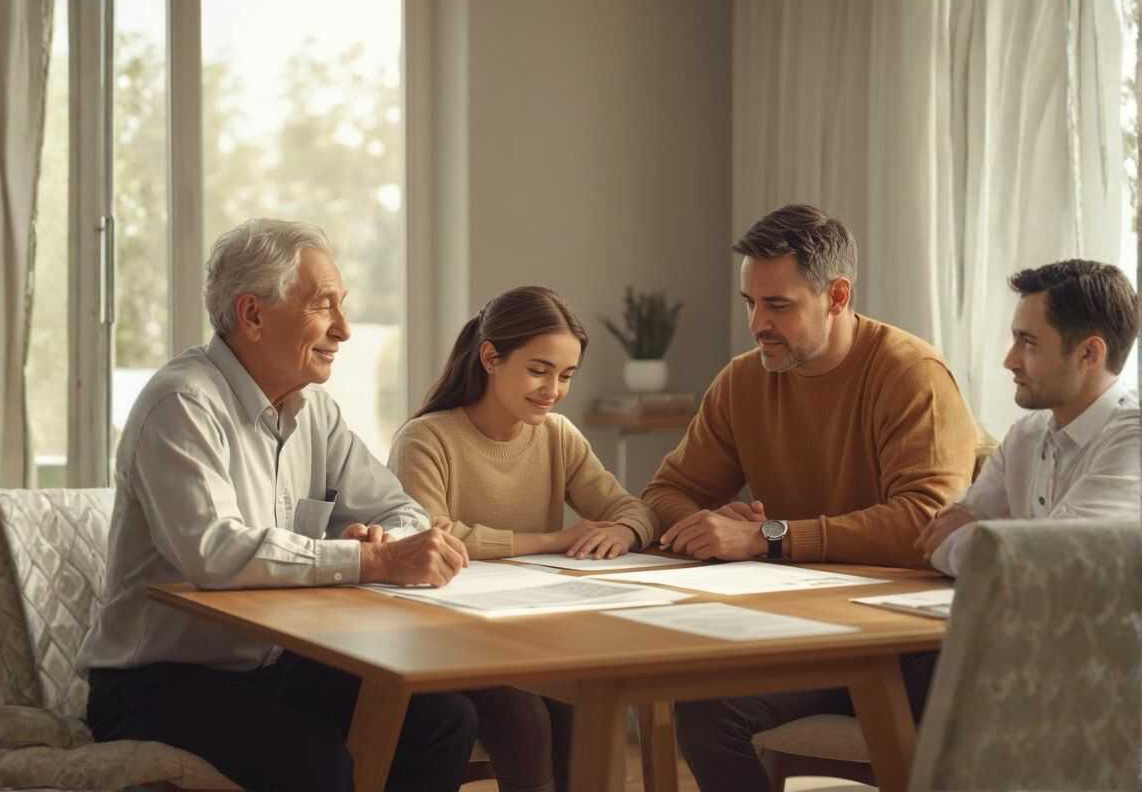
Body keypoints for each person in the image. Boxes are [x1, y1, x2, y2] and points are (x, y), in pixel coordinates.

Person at [76, 219, 476, 792]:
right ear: (253, 315)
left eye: (343, 305)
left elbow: (401, 511)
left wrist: (384, 541)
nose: (344, 329)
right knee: (317, 764)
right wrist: (369, 562)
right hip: (154, 680)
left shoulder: (316, 410)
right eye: (323, 306)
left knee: (442, 720)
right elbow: (213, 551)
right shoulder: (182, 403)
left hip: (269, 665)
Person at [643, 204, 977, 792]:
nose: (756, 324)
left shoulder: (911, 373)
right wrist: (704, 525)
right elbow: (667, 491)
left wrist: (770, 536)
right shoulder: (743, 382)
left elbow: (928, 521)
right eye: (750, 302)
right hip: (805, 633)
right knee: (705, 710)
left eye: (777, 305)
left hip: (909, 646)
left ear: (838, 295)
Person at [389, 285, 657, 792]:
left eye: (566, 376)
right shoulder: (427, 438)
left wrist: (623, 529)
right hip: (448, 638)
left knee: (588, 708)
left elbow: (634, 508)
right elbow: (431, 536)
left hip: (536, 632)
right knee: (524, 717)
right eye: (539, 370)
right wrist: (552, 539)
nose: (552, 389)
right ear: (491, 357)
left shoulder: (558, 435)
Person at [919, 259, 1141, 577]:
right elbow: (938, 541)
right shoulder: (1024, 436)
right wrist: (1019, 547)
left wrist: (994, 539)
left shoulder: (1132, 442)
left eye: (1028, 342)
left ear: (1089, 354)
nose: (1010, 361)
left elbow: (1063, 564)